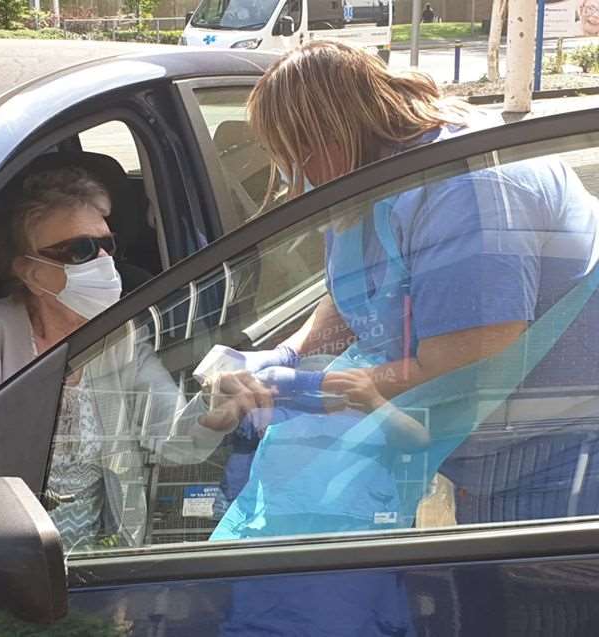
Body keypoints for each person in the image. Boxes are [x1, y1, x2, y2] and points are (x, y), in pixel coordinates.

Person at [210, 40, 599, 541]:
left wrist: (311, 390)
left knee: (536, 597)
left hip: (558, 438)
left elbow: (477, 346)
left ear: (327, 138)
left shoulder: (466, 185)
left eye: (289, 154)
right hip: (483, 437)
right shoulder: (368, 176)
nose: (288, 175)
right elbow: (353, 286)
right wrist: (288, 354)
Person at [0, 162, 259, 551]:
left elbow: (171, 436)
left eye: (107, 245)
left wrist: (213, 414)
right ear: (32, 272)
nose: (104, 261)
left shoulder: (118, 334)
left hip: (97, 555)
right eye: (82, 250)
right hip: (0, 554)